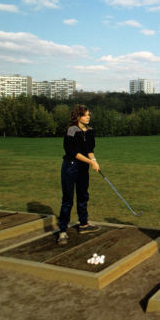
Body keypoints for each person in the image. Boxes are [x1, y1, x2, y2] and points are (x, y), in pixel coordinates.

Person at [57, 105, 101, 245]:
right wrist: (90, 162)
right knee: (68, 199)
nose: (88, 117)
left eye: (89, 114)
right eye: (85, 115)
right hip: (70, 166)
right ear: (78, 116)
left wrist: (94, 161)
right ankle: (62, 230)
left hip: (83, 167)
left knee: (83, 195)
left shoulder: (90, 131)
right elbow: (73, 152)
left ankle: (84, 224)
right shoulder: (71, 131)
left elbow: (89, 149)